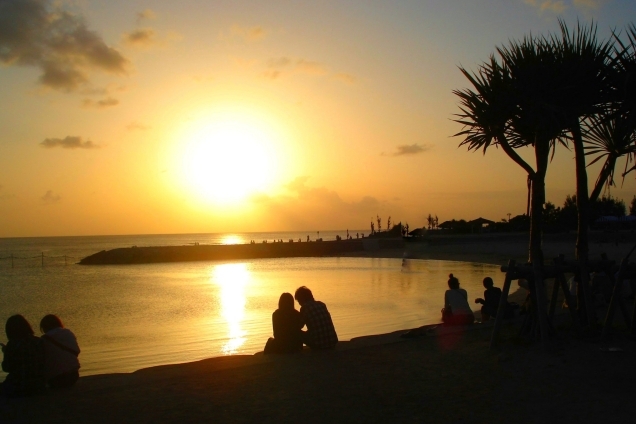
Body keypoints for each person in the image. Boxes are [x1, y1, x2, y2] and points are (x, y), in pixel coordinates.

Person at [0, 315, 45, 397]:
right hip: (38, 384)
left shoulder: (12, 345)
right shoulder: (38, 342)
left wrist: (6, 352)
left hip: (19, 386)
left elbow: (6, 367)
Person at [40, 314, 80, 389]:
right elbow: (77, 351)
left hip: (56, 379)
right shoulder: (68, 332)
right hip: (74, 376)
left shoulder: (44, 339)